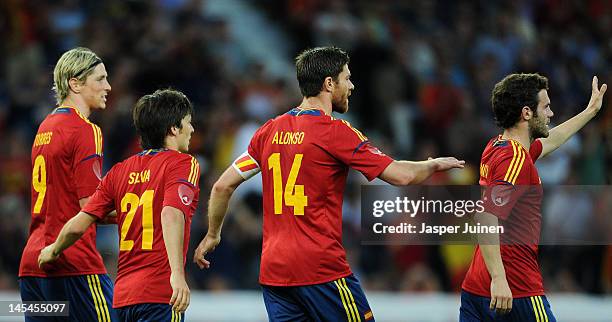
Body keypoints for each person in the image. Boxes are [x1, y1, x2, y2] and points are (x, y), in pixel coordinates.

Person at [193, 46, 464, 322]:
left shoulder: (268, 131)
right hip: (321, 269)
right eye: (347, 78)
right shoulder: (336, 132)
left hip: (275, 273)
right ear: (329, 83)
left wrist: (213, 233)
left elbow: (221, 186)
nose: (352, 85)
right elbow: (401, 176)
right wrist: (430, 165)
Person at [38, 89, 200, 322]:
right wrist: (176, 274)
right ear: (174, 128)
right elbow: (171, 214)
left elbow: (80, 222)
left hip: (123, 298)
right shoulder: (183, 164)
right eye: (188, 122)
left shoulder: (119, 171)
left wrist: (52, 250)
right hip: (160, 294)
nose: (192, 129)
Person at [460, 73, 607, 321]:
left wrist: (590, 111)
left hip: (476, 288)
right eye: (546, 107)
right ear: (527, 113)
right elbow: (485, 216)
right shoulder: (515, 159)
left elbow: (552, 141)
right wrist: (499, 279)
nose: (550, 114)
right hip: (515, 290)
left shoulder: (498, 146)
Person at [18, 47, 117, 322]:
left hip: (33, 266)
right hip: (73, 262)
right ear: (75, 83)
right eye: (100, 79)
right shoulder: (86, 130)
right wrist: (140, 214)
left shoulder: (44, 128)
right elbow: (91, 207)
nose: (108, 86)